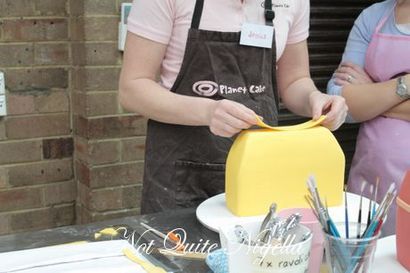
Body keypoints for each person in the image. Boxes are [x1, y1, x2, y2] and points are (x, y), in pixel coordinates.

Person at [119, 0, 348, 214]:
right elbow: (133, 88)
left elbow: (294, 80)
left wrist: (315, 99)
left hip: (257, 173)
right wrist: (208, 112)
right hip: (180, 177)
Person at [327, 0, 410, 235]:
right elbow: (341, 101)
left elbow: (357, 100)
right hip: (371, 184)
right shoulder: (373, 17)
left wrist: (373, 94)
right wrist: (403, 85)